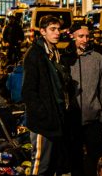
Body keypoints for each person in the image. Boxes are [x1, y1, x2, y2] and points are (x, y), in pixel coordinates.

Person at [22, 15, 70, 176]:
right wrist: (43, 114)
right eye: (52, 29)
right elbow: (28, 91)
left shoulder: (53, 52)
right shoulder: (35, 54)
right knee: (41, 166)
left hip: (55, 119)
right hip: (43, 122)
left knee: (53, 165)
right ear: (42, 32)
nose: (57, 33)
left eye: (58, 29)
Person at [66, 21, 102, 176]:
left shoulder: (98, 58)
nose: (85, 40)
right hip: (72, 119)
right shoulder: (64, 58)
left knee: (96, 159)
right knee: (75, 160)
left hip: (94, 119)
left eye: (87, 36)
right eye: (81, 36)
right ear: (72, 37)